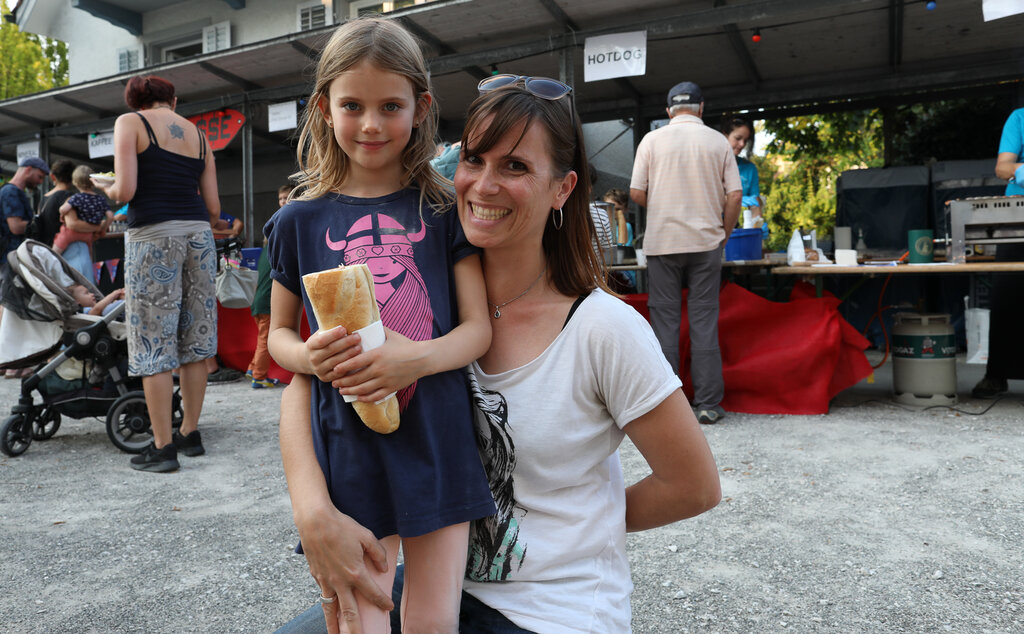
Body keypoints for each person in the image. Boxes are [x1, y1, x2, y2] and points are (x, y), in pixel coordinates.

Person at [277, 73, 721, 633]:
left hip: (553, 611)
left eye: (515, 167)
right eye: (475, 159)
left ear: (562, 189)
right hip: (447, 580)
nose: (484, 185)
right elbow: (311, 379)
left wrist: (581, 526)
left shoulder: (603, 327)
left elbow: (695, 486)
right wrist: (312, 511)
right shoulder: (425, 287)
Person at [266, 18, 494, 633]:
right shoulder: (296, 222)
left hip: (437, 438)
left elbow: (477, 330)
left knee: (433, 618)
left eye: (390, 106)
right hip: (346, 446)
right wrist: (313, 358)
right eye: (353, 106)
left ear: (420, 108)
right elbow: (278, 336)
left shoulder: (444, 210)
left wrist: (413, 359)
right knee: (360, 614)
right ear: (324, 107)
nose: (371, 124)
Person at [93, 74, 221, 473]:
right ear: (174, 100)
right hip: (199, 237)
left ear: (135, 102)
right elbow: (214, 208)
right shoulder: (199, 136)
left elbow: (126, 191)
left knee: (154, 342)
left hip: (153, 237)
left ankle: (163, 447)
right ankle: (191, 433)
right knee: (195, 338)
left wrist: (106, 188)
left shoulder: (129, 123)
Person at [629, 81, 742, 426]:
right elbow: (735, 195)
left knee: (665, 323)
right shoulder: (717, 142)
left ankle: (669, 408)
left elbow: (635, 191)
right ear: (701, 109)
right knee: (704, 321)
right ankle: (707, 403)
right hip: (706, 243)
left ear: (668, 112)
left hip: (663, 244)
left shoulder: (652, 140)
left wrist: (663, 207)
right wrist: (723, 233)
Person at [971, 107, 1024, 399]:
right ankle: (996, 375)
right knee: (1008, 291)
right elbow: (1003, 167)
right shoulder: (1019, 118)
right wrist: (1021, 170)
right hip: (1018, 215)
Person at [246, 184, 292, 389]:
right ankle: (259, 376)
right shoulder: (283, 235)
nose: (283, 201)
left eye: (286, 198)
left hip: (258, 299)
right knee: (266, 339)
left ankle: (252, 368)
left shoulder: (268, 245)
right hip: (266, 300)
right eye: (281, 198)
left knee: (261, 338)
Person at [55, 165, 114, 278]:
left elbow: (63, 209)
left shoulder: (76, 197)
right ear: (93, 182)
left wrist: (62, 215)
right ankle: (89, 276)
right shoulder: (101, 199)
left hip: (71, 234)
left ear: (75, 182)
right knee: (89, 256)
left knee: (54, 252)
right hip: (88, 235)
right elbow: (110, 216)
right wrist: (103, 229)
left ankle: (48, 267)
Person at [721, 117, 769, 240]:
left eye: (745, 140)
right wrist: (731, 200)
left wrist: (757, 224)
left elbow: (755, 205)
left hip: (733, 232)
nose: (742, 144)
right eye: (738, 138)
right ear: (725, 135)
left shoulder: (749, 169)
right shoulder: (710, 164)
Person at [2, 157, 49, 267]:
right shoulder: (11, 192)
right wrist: (41, 223)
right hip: (11, 259)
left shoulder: (12, 191)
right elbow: (16, 227)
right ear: (28, 169)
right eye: (39, 176)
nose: (40, 182)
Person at [36, 159, 77, 248]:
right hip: (63, 249)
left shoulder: (44, 198)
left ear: (53, 177)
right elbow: (73, 224)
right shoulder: (70, 197)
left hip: (45, 248)